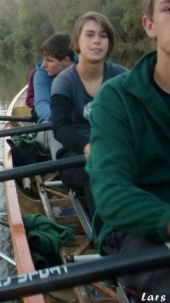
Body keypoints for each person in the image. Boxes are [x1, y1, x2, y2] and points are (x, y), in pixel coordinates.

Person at [86, 0, 170, 297]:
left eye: (101, 36)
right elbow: (111, 195)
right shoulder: (116, 98)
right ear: (149, 26)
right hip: (134, 226)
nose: (97, 42)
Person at [49, 12, 127, 214]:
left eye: (103, 36)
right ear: (77, 41)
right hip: (75, 155)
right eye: (90, 35)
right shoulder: (64, 81)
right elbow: (60, 128)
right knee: (97, 174)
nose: (97, 41)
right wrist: (88, 148)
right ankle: (108, 237)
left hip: (115, 150)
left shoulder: (123, 77)